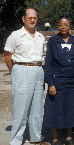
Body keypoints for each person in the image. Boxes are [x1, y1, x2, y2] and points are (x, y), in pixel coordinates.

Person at [4, 7, 50, 145]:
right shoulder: (15, 35)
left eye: (35, 18)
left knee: (36, 107)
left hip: (38, 70)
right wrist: (16, 71)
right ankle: (16, 140)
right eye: (29, 17)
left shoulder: (41, 37)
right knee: (21, 107)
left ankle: (36, 137)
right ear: (23, 19)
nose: (32, 20)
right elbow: (7, 57)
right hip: (21, 70)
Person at [43, 15, 74, 145]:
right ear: (58, 26)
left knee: (71, 108)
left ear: (70, 26)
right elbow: (49, 64)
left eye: (66, 25)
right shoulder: (53, 41)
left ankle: (69, 137)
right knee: (55, 109)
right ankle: (55, 138)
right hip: (58, 80)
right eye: (61, 25)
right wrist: (51, 83)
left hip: (73, 81)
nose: (63, 27)